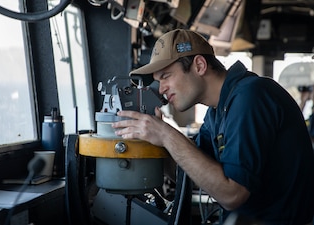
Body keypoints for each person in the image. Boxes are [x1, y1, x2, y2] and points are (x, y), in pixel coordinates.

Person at [112, 29, 314, 224]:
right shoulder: (217, 110)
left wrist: (167, 135)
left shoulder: (251, 96)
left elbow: (232, 194)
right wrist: (149, 138)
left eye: (166, 76)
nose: (161, 89)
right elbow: (190, 172)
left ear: (199, 65)